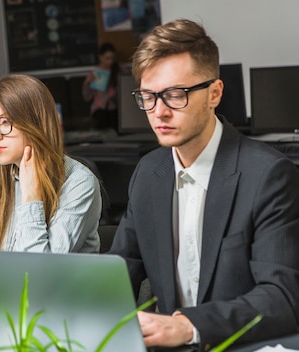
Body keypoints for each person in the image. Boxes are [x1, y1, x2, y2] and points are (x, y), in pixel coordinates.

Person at [108, 19, 299, 349]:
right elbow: (118, 273)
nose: (159, 112)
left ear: (214, 93)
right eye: (148, 97)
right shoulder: (148, 173)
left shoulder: (268, 175)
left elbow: (281, 296)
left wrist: (187, 327)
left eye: (175, 95)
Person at [0, 74, 102, 286]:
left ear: (36, 124)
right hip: (8, 303)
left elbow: (38, 277)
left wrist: (31, 199)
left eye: (4, 123)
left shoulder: (79, 183)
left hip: (61, 311)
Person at [82, 42, 122, 130]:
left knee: (116, 116)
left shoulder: (117, 71)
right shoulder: (94, 73)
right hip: (99, 107)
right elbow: (87, 98)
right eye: (107, 58)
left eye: (112, 58)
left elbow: (123, 92)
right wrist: (87, 84)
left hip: (114, 106)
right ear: (100, 57)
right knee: (102, 117)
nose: (110, 61)